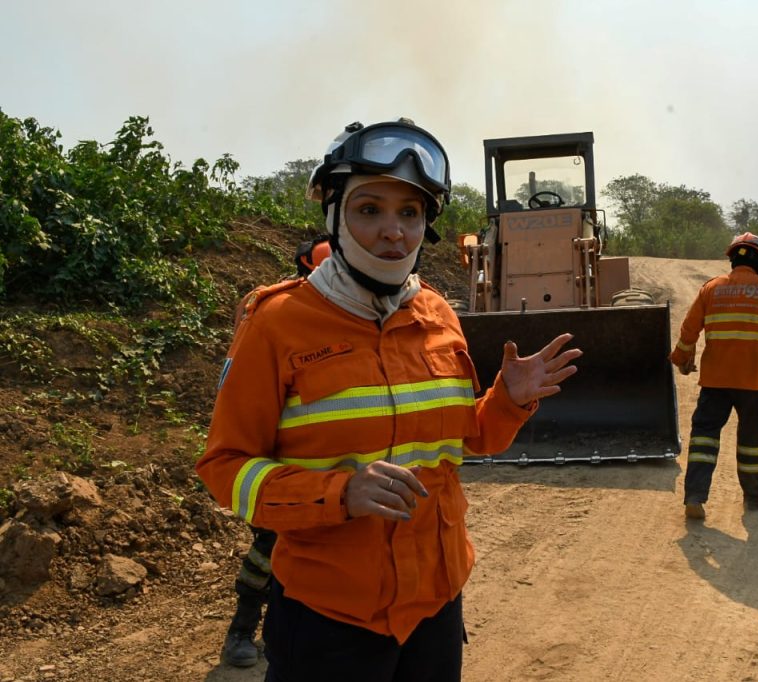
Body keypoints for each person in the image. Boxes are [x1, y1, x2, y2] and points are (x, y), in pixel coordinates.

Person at [196, 117, 582, 681]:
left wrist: (506, 401)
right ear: (335, 214)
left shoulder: (438, 314)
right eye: (369, 209)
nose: (393, 231)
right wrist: (339, 494)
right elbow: (225, 468)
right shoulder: (276, 323)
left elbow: (466, 442)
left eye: (410, 213)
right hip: (330, 616)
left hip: (435, 604)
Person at [219, 236, 332, 668]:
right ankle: (241, 630)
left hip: (326, 460)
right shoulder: (272, 312)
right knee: (270, 546)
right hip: (282, 460)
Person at [670, 232, 758, 520]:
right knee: (751, 439)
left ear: (731, 258)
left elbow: (689, 330)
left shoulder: (711, 288)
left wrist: (681, 359)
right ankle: (754, 498)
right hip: (754, 378)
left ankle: (695, 497)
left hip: (715, 380)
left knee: (704, 437)